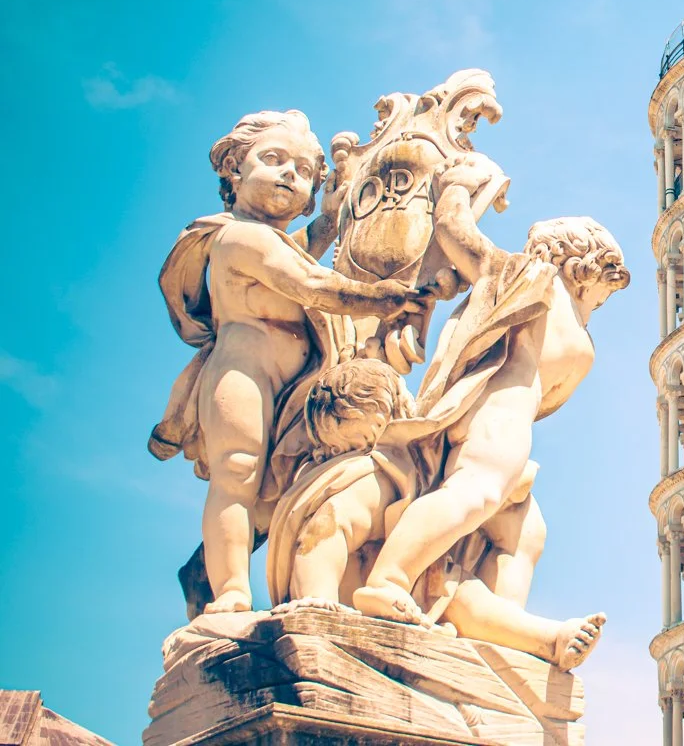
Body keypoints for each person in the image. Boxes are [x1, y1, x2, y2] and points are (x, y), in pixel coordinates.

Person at [153, 110, 425, 615]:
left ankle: (201, 576)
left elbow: (304, 252)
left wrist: (333, 212)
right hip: (244, 371)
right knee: (238, 474)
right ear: (234, 169)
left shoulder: (277, 242)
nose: (289, 175)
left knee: (271, 496)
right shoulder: (237, 236)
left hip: (296, 382)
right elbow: (311, 283)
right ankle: (232, 591)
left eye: (302, 170)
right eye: (273, 160)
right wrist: (381, 298)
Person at [351, 156, 630, 629]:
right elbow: (455, 230)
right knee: (476, 493)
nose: (600, 303)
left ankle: (499, 632)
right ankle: (388, 579)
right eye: (603, 291)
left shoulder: (550, 305)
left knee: (525, 532)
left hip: (510, 415)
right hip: (500, 407)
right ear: (585, 268)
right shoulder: (524, 277)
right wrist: (459, 184)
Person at [267, 359, 604, 670]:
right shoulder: (369, 476)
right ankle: (550, 639)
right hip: (350, 597)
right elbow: (326, 530)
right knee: (455, 589)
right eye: (340, 447)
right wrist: (317, 600)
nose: (339, 455)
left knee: (459, 591)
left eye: (349, 444)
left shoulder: (402, 466)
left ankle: (551, 640)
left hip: (411, 591)